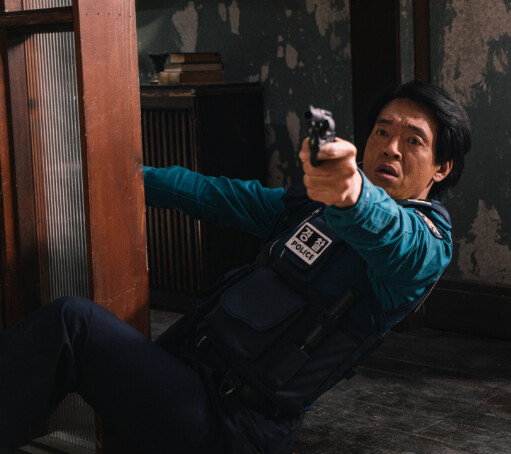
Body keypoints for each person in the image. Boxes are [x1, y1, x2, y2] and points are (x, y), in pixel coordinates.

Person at [0, 80, 471, 453]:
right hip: (189, 371)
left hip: (231, 423)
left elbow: (387, 232)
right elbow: (219, 196)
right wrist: (125, 179)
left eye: (414, 141)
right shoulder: (314, 204)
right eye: (382, 132)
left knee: (73, 324)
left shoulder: (426, 245)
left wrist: (353, 194)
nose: (391, 147)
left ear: (441, 167)